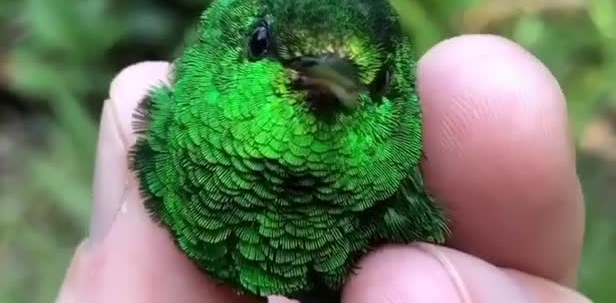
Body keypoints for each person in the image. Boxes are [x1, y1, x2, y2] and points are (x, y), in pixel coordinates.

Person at [55, 35, 590, 303]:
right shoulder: (167, 143)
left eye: (372, 84)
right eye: (264, 46)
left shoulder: (393, 208)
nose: (327, 77)